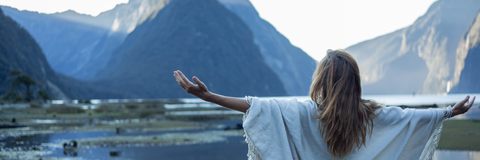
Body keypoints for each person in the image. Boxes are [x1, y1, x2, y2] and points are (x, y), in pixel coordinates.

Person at [173, 49, 476, 160]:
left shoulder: (305, 112)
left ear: (320, 82)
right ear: (355, 82)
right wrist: (450, 111)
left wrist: (209, 96)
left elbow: (255, 106)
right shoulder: (373, 114)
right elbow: (411, 118)